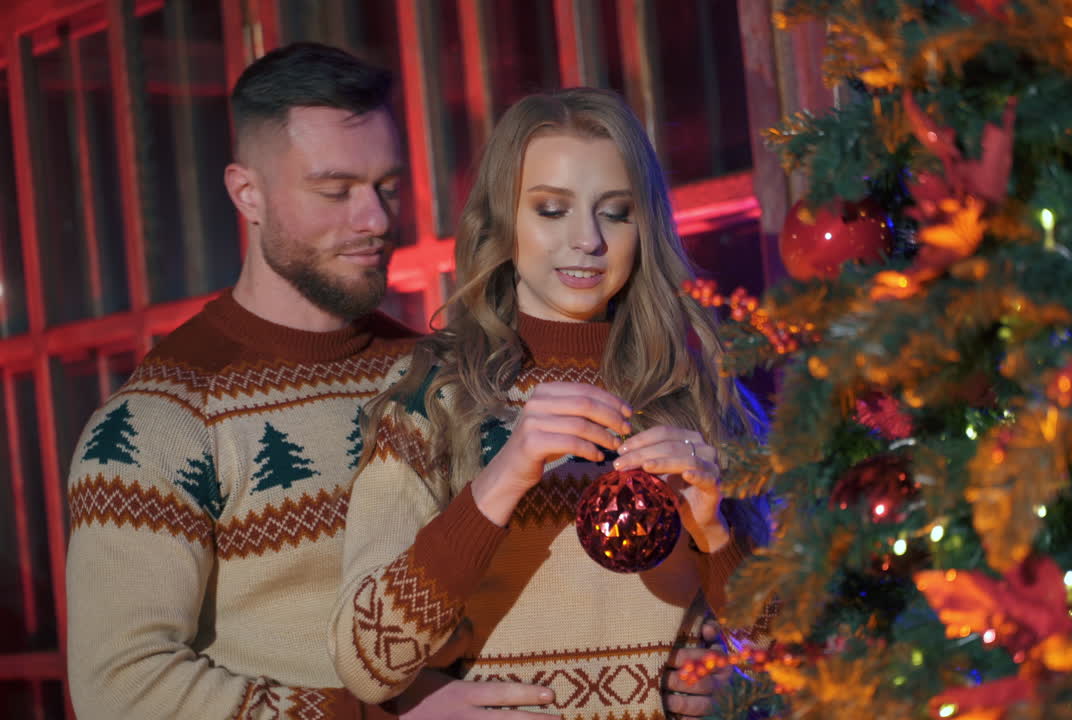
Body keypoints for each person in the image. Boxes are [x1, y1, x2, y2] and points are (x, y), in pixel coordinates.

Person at [63, 42, 558, 719]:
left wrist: (670, 666)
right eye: (335, 192)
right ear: (248, 193)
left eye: (386, 186)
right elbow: (121, 691)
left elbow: (538, 564)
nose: (376, 220)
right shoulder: (160, 421)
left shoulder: (442, 373)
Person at [329, 87, 769, 720]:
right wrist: (504, 477)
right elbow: (366, 662)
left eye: (615, 212)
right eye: (552, 209)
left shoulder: (696, 383)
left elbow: (796, 647)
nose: (587, 239)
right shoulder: (434, 398)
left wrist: (717, 544)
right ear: (502, 224)